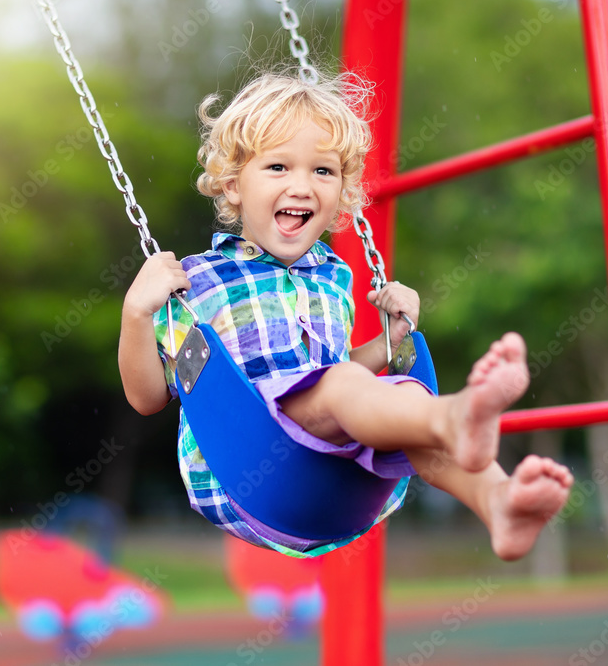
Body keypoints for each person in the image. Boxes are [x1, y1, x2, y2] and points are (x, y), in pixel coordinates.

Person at [118, 70, 573, 559]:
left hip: (342, 478)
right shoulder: (196, 281)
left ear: (343, 191)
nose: (302, 186)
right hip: (248, 469)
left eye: (322, 171)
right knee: (359, 391)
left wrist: (388, 341)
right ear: (232, 184)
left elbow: (337, 375)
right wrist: (136, 313)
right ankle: (454, 416)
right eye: (278, 167)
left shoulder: (334, 277)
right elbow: (148, 398)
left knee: (401, 400)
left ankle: (498, 502)